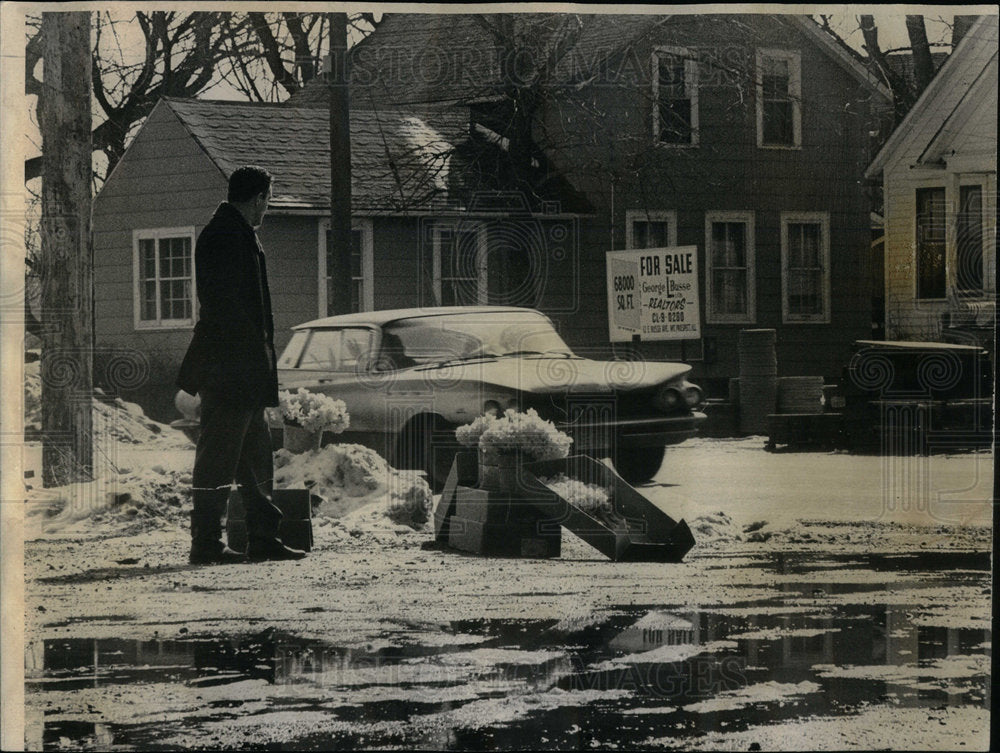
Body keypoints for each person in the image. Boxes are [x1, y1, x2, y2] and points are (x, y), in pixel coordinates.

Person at [177, 166, 306, 564]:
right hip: (231, 367)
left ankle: (262, 536)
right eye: (268, 200)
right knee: (217, 458)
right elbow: (225, 310)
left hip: (241, 366)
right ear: (257, 198)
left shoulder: (234, 233)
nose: (267, 208)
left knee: (253, 457)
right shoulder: (226, 236)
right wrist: (249, 361)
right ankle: (206, 544)